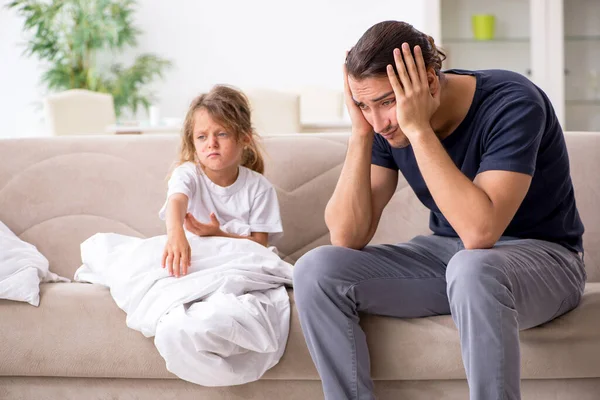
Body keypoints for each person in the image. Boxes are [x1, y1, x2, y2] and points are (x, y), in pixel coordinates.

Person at [293, 20, 586, 400]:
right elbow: (347, 236)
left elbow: (480, 233)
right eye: (364, 105)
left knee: (472, 265)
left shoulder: (513, 101)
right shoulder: (381, 126)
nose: (380, 120)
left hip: (545, 260)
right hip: (450, 258)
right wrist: (360, 131)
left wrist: (417, 129)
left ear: (429, 82)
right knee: (316, 269)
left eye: (387, 102)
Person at [160, 85, 283, 278]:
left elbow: (260, 245)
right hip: (196, 260)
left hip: (240, 263)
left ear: (244, 138)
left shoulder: (259, 187)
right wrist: (175, 234)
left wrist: (218, 234)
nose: (211, 143)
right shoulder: (188, 174)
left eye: (222, 134)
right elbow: (176, 201)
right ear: (193, 143)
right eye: (202, 137)